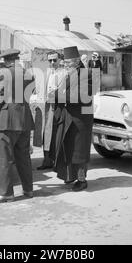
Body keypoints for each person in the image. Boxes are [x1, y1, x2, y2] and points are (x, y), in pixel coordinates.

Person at [0, 48, 35, 203]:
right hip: (25, 118)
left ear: (6, 61)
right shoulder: (28, 73)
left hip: (8, 119)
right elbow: (29, 94)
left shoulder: (4, 73)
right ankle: (28, 189)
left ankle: (5, 193)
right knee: (23, 156)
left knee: (4, 157)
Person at [51, 46, 95, 192]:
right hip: (69, 118)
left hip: (80, 120)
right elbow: (62, 91)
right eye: (65, 64)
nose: (65, 66)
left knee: (79, 152)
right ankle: (70, 176)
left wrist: (56, 95)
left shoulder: (87, 74)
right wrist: (55, 94)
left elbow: (78, 96)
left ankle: (82, 180)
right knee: (69, 150)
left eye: (68, 64)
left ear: (76, 62)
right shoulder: (70, 74)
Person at [37, 51, 66, 170]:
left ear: (59, 60)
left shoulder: (64, 73)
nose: (52, 63)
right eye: (50, 60)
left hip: (59, 106)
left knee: (56, 133)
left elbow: (64, 91)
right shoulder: (47, 72)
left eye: (55, 60)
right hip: (47, 106)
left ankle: (57, 161)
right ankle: (47, 160)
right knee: (46, 133)